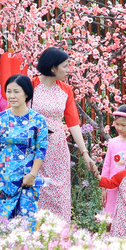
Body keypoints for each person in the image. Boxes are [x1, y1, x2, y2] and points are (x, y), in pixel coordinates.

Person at [31, 46, 96, 219]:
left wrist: (85, 153)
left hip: (57, 147)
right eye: (65, 66)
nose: (68, 70)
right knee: (36, 187)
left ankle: (60, 233)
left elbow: (73, 123)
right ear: (53, 68)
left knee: (58, 189)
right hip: (33, 145)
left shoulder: (66, 90)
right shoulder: (30, 85)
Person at [0, 75, 49, 227]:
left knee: (26, 226)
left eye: (16, 92)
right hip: (3, 179)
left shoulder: (38, 120)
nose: (12, 96)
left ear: (26, 93)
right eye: (8, 91)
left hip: (28, 179)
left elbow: (41, 150)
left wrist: (33, 175)